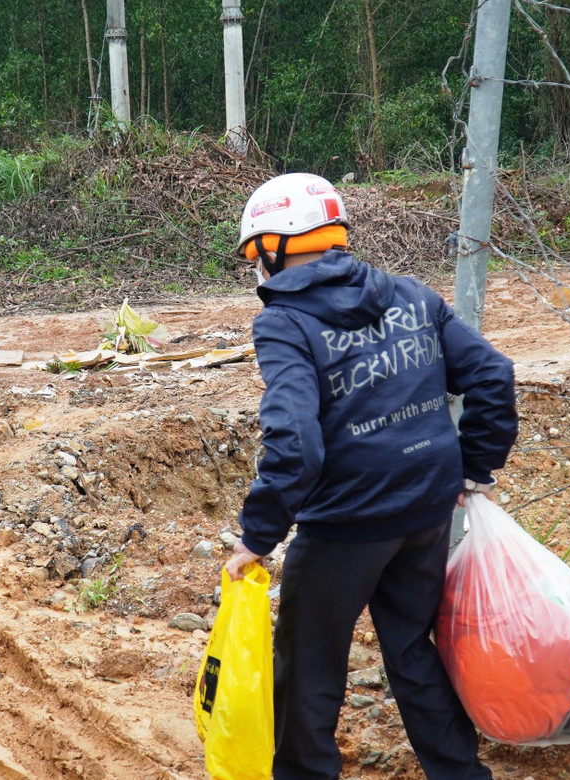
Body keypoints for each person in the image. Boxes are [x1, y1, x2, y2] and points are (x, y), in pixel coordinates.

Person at [222, 173, 518, 780]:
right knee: (412, 650)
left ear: (274, 249)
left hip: (344, 527)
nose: (257, 269)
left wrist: (258, 535)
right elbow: (492, 374)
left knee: (308, 668)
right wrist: (470, 467)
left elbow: (295, 441)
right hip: (427, 509)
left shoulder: (284, 322)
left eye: (257, 256)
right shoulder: (411, 294)